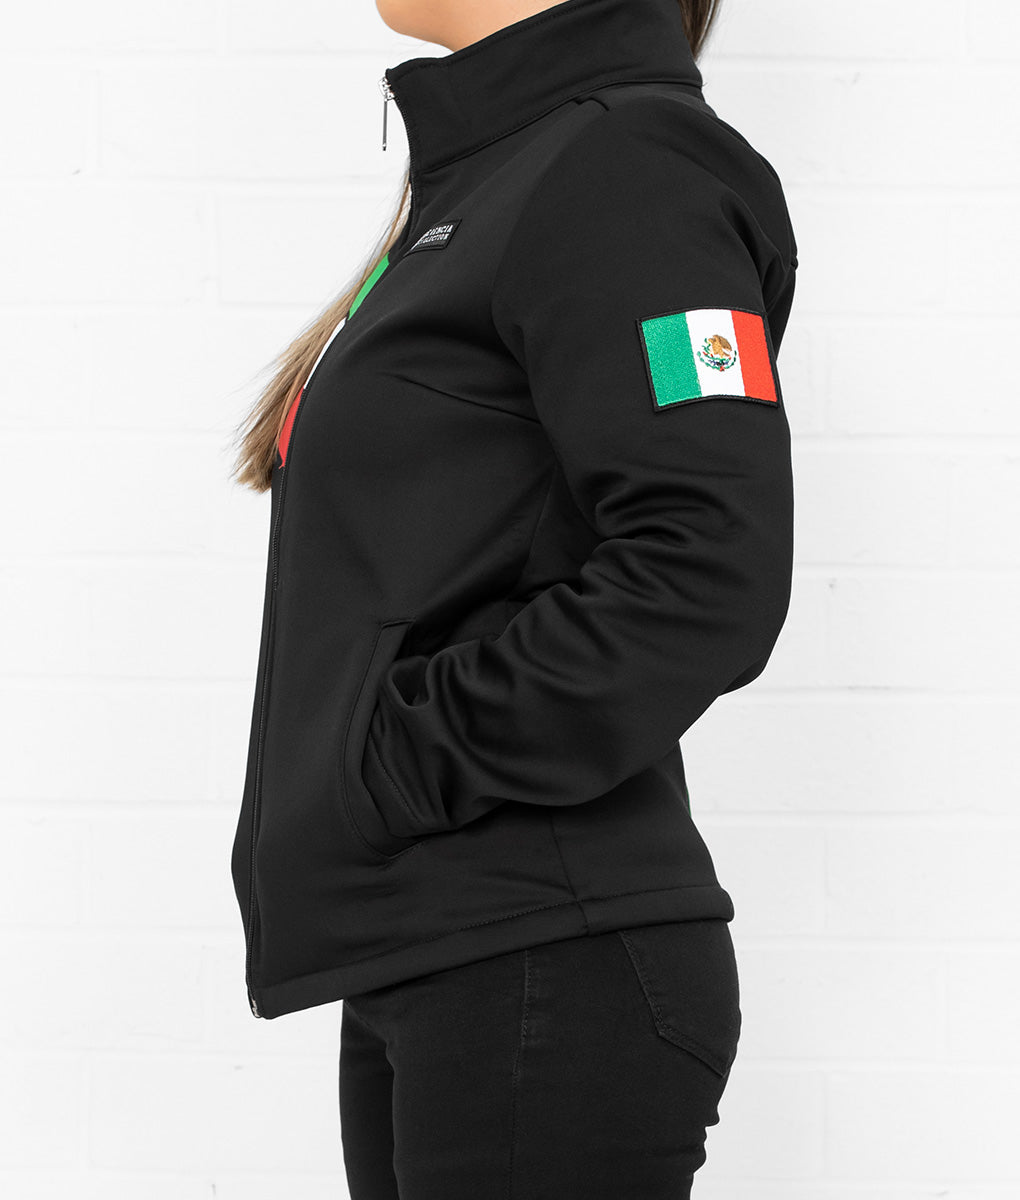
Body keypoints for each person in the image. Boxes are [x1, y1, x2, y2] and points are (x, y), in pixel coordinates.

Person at [228, 0, 797, 1194]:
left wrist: (400, 765)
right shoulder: (502, 170)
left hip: (544, 960)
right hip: (445, 952)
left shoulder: (628, 168)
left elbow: (705, 569)